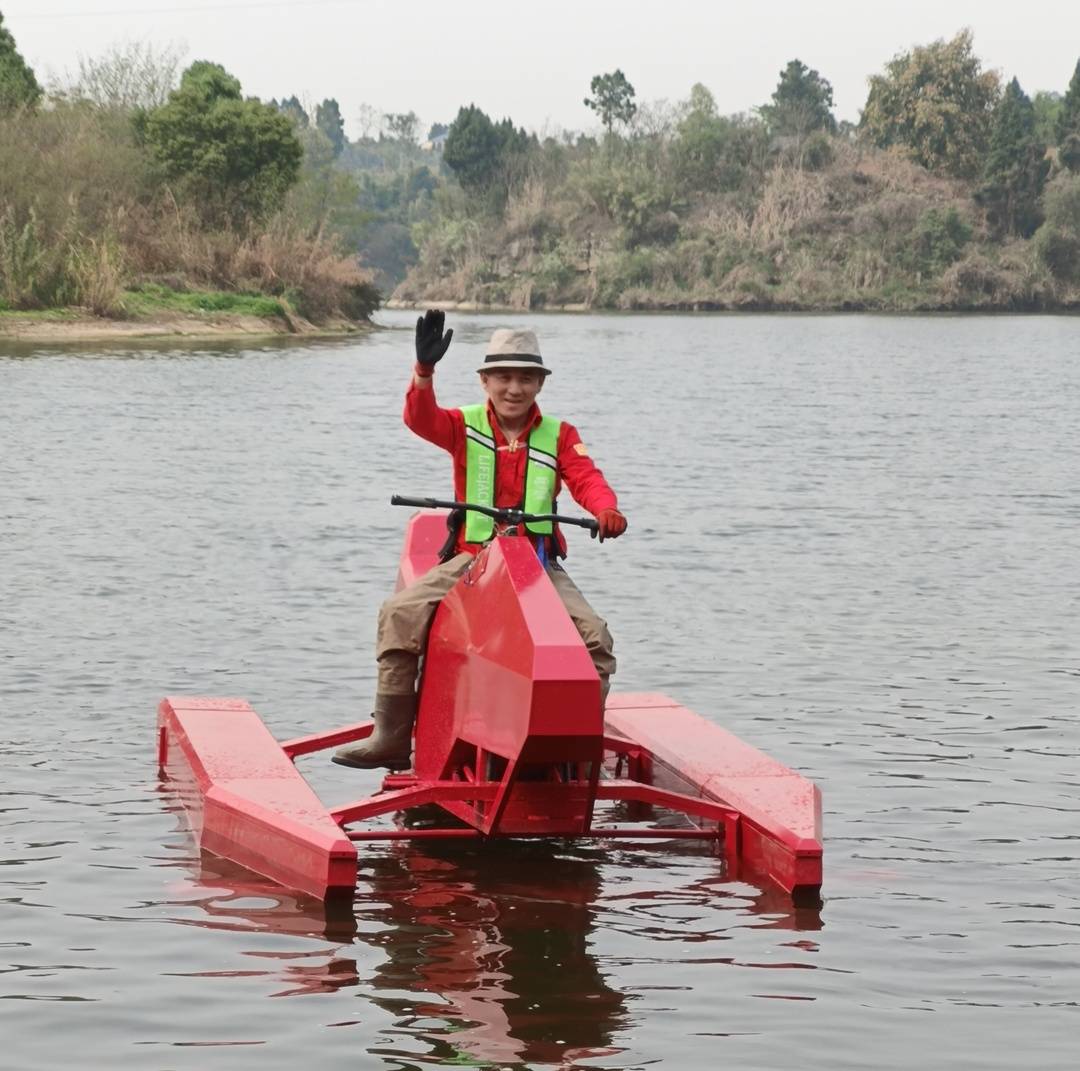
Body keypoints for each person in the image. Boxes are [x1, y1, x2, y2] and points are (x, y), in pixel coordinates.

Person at [333, 310, 627, 770]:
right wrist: (424, 372)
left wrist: (606, 510)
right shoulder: (461, 424)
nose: (515, 389)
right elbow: (419, 418)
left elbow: (588, 479)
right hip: (473, 559)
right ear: (485, 382)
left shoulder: (560, 434)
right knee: (399, 612)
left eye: (526, 379)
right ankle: (390, 736)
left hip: (536, 563)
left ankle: (577, 746)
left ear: (540, 385)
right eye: (504, 377)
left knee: (595, 638)